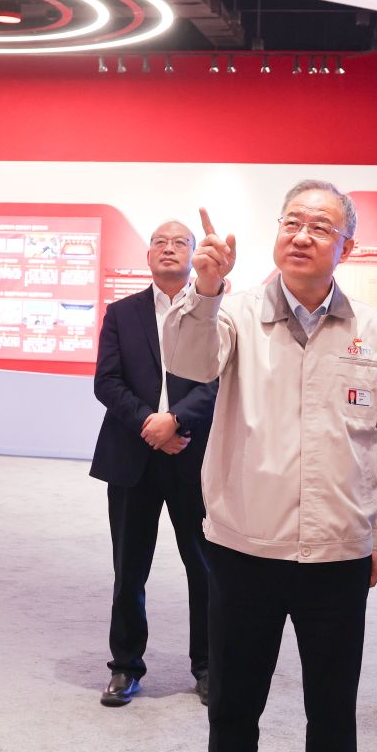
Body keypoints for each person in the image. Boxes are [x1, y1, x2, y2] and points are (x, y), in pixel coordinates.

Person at [164, 181, 377, 752]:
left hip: (337, 551)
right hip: (245, 545)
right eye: (292, 222)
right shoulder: (234, 313)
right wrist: (206, 288)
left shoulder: (373, 330)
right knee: (233, 706)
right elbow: (187, 360)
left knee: (332, 710)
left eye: (320, 226)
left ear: (346, 246)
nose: (302, 235)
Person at [89, 220, 218, 707]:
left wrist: (176, 422)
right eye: (160, 242)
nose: (169, 249)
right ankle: (125, 666)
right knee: (129, 568)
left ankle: (208, 666)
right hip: (133, 456)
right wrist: (150, 424)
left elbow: (219, 380)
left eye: (180, 242)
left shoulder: (214, 312)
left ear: (194, 255)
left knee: (204, 567)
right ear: (147, 256)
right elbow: (107, 381)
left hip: (194, 455)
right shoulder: (122, 313)